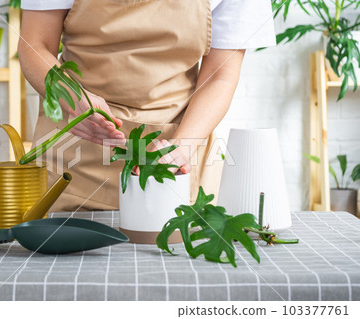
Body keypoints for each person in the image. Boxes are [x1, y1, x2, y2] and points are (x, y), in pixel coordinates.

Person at [18, 0, 276, 211]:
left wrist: (182, 148)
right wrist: (72, 98)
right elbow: (34, 45)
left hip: (177, 157)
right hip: (75, 149)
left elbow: (220, 75)